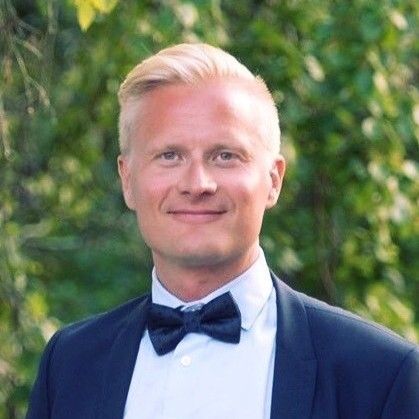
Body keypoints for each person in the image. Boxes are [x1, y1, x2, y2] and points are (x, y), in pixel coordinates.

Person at [26, 43, 418, 419]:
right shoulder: (69, 364)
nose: (197, 184)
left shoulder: (380, 374)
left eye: (225, 156)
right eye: (169, 156)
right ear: (128, 180)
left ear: (273, 180)